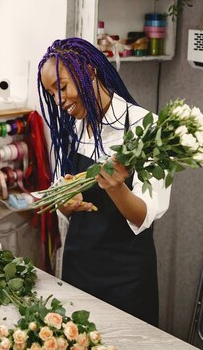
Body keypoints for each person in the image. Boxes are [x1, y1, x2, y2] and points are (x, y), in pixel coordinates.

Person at [37, 37, 171, 326]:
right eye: (52, 95)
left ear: (89, 70)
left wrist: (116, 188)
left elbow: (145, 215)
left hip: (127, 279)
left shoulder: (146, 129)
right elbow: (67, 208)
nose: (59, 102)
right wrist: (65, 203)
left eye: (61, 87)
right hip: (79, 268)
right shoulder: (73, 128)